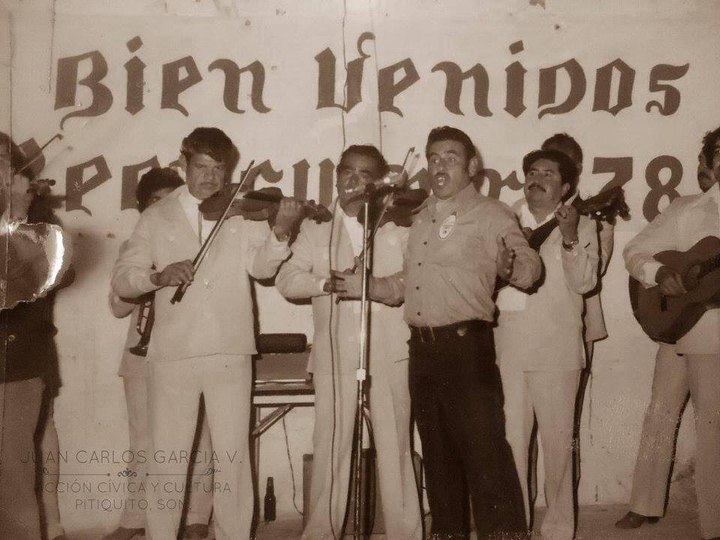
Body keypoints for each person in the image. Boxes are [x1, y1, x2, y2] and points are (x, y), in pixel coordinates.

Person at [111, 127, 304, 540]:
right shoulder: (157, 216)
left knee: (233, 459)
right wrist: (158, 276)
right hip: (173, 353)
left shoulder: (241, 210)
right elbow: (124, 280)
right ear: (183, 165)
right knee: (167, 460)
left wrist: (281, 233)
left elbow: (263, 269)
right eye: (202, 167)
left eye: (219, 169)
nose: (212, 179)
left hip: (230, 350)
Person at [397, 126, 541, 540]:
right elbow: (409, 280)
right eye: (434, 158)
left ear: (472, 165)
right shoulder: (421, 215)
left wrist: (511, 267)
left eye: (451, 157)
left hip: (465, 350)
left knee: (486, 460)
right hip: (422, 351)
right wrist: (367, 285)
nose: (440, 166)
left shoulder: (492, 212)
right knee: (439, 462)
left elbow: (529, 266)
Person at [275, 145, 422, 540]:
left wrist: (379, 288)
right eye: (347, 171)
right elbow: (287, 280)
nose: (354, 180)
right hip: (336, 354)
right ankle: (321, 533)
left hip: (391, 352)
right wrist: (326, 283)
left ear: (378, 182)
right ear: (336, 175)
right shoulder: (315, 227)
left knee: (396, 449)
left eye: (365, 173)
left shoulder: (401, 224)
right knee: (331, 449)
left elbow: (418, 279)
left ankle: (406, 535)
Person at [618, 127, 720, 540]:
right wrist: (659, 273)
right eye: (718, 151)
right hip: (674, 323)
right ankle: (644, 504)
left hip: (714, 332)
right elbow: (634, 250)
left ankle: (714, 522)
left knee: (713, 424)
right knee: (659, 413)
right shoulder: (687, 207)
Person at [495, 149, 599, 540]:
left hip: (557, 350)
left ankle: (558, 531)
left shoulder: (581, 225)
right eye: (532, 172)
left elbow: (586, 284)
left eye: (549, 174)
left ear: (566, 186)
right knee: (509, 447)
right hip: (508, 348)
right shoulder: (502, 218)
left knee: (559, 451)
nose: (537, 179)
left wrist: (570, 238)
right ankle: (512, 529)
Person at [105, 167, 213, 540]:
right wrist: (150, 277)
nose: (165, 205)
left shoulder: (195, 242)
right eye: (156, 200)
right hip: (140, 356)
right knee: (143, 441)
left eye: (172, 197)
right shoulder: (136, 245)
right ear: (143, 208)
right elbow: (118, 308)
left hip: (184, 351)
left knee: (198, 439)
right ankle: (135, 521)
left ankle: (198, 517)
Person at [0, 131, 72, 540]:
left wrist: (18, 214)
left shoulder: (38, 220)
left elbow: (58, 271)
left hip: (19, 362)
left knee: (12, 474)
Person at [541, 133, 614, 490]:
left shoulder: (596, 212)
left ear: (578, 170)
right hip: (526, 327)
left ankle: (563, 503)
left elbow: (592, 273)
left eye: (563, 161)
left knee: (563, 424)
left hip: (576, 325)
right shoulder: (524, 207)